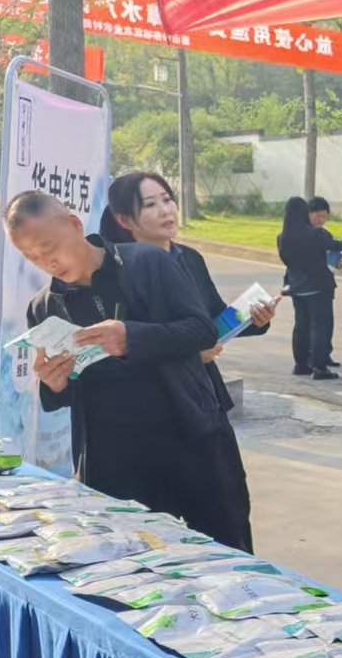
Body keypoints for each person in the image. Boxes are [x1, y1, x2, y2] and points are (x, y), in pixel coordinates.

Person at [4, 189, 254, 549]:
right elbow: (69, 391)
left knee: (227, 551)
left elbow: (201, 330)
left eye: (49, 247)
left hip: (190, 438)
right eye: (32, 256)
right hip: (113, 458)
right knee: (131, 560)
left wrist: (131, 337)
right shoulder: (44, 307)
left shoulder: (147, 262)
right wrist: (55, 384)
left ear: (74, 225)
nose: (47, 262)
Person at [98, 170, 276, 551]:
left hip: (203, 408)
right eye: (151, 204)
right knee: (154, 537)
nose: (166, 210)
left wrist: (253, 319)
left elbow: (211, 321)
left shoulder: (189, 259)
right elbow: (122, 346)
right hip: (151, 420)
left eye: (167, 199)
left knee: (228, 519)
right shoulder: (115, 272)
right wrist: (188, 352)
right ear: (125, 220)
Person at [277, 196, 342, 380]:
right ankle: (319, 367)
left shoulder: (282, 238)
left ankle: (300, 365)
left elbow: (287, 261)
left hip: (297, 287)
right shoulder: (317, 235)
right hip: (319, 286)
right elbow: (337, 245)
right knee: (320, 327)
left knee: (301, 326)